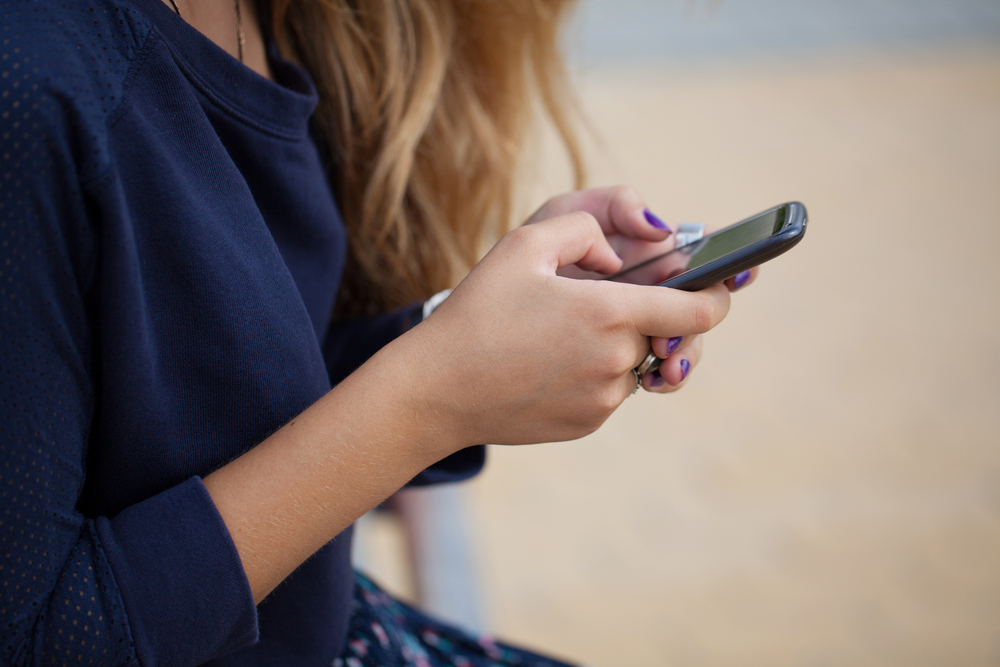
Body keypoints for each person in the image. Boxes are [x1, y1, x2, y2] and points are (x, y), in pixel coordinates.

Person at [0, 0, 754, 665]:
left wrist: (466, 335)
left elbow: (200, 398)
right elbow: (36, 637)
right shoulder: (29, 78)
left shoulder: (248, 14)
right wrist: (430, 400)